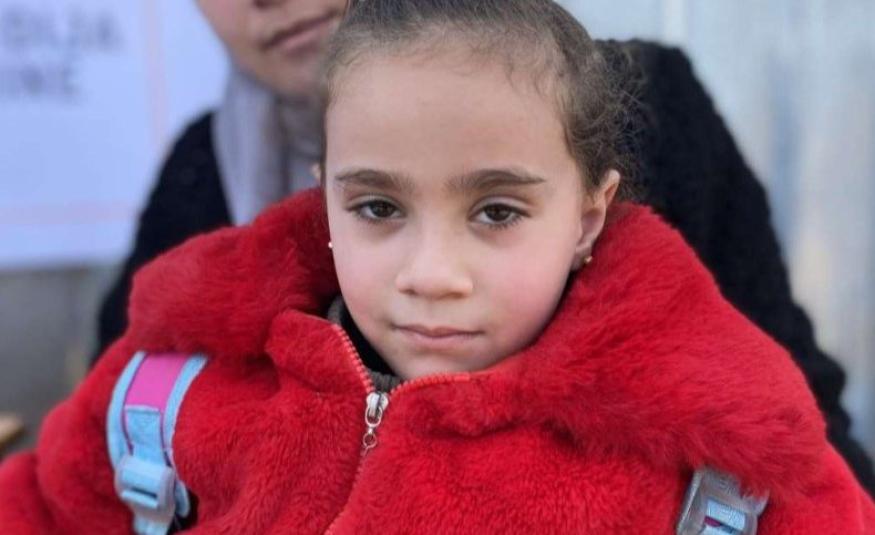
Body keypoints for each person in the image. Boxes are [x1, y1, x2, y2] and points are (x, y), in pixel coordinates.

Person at [2, 1, 874, 532]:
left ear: (588, 214)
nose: (430, 273)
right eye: (377, 207)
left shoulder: (711, 464)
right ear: (322, 193)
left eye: (496, 211)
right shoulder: (173, 385)